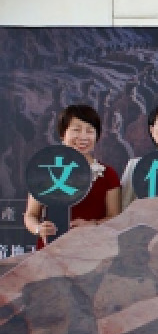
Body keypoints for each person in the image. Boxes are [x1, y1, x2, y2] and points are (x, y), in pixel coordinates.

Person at [24, 104, 121, 249]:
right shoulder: (45, 170)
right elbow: (31, 215)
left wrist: (93, 225)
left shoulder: (107, 173)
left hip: (93, 250)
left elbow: (115, 217)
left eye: (90, 131)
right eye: (76, 130)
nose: (83, 137)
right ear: (62, 134)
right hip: (52, 250)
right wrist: (39, 229)